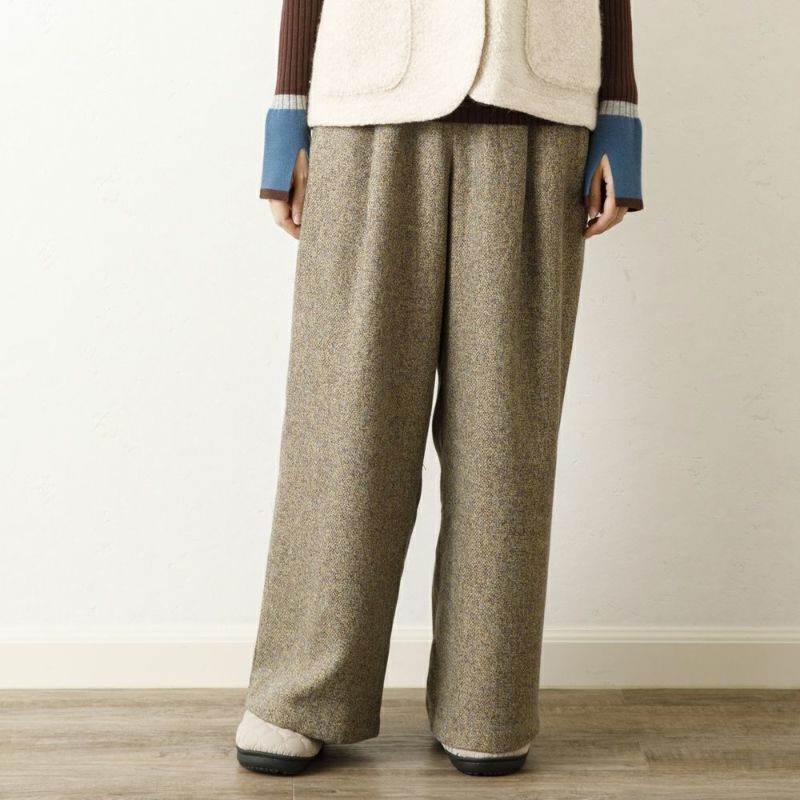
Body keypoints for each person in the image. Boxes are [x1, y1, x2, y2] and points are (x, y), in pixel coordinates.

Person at [235, 0, 644, 779]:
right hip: (367, 104)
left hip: (539, 106)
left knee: (507, 434)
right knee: (347, 418)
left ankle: (487, 701)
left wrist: (619, 119)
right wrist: (288, 116)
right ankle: (301, 692)